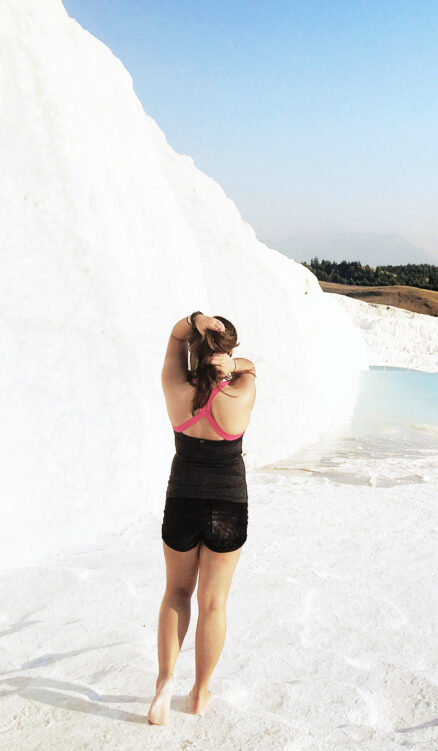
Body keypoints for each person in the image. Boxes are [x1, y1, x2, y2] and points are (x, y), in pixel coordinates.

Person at [146, 310, 257, 724]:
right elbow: (251, 369)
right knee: (213, 603)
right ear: (228, 352)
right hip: (228, 505)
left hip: (182, 501)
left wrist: (193, 322)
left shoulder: (174, 385)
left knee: (176, 592)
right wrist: (236, 364)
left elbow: (175, 336)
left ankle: (163, 685)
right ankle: (199, 692)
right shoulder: (242, 392)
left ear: (193, 348)